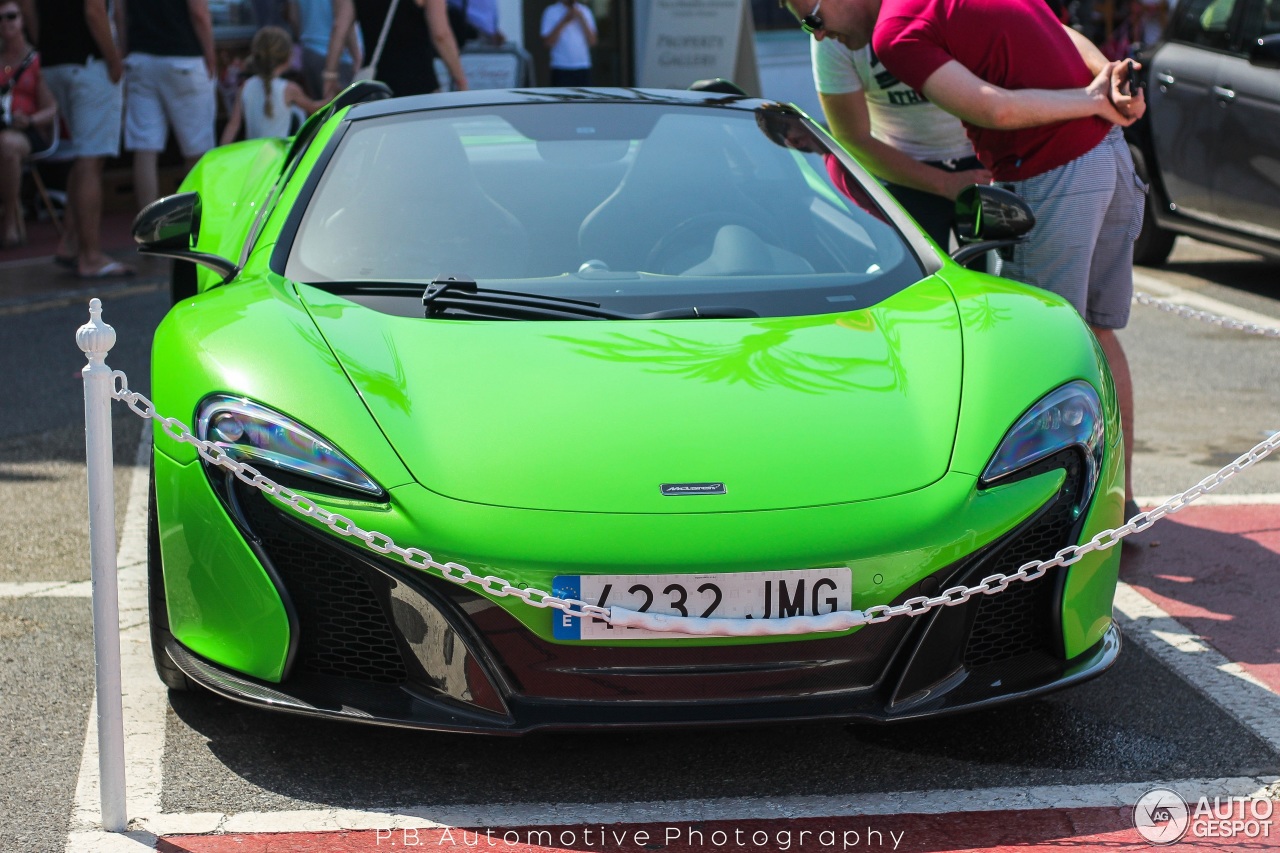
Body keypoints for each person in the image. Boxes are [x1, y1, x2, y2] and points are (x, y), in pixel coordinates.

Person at [782, 0, 1145, 515]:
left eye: (813, 19)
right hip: (1103, 152)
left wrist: (1093, 93)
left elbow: (995, 108)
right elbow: (1054, 30)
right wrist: (1102, 88)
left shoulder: (895, 30)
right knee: (1095, 333)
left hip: (1052, 167)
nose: (816, 36)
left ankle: (1056, 518)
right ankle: (1118, 503)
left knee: (1044, 354)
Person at [812, 38, 991, 249]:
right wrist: (946, 183)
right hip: (901, 173)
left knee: (1001, 277)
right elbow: (851, 138)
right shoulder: (829, 35)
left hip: (986, 165)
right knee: (920, 277)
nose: (818, 30)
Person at [27, 0, 134, 277]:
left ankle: (72, 242)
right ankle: (91, 256)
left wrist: (45, 43)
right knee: (91, 160)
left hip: (55, 61)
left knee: (83, 154)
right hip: (88, 61)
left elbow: (28, 6)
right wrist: (114, 59)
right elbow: (94, 9)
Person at [123, 0, 218, 211]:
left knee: (145, 147)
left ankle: (148, 223)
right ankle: (196, 220)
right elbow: (199, 12)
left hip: (140, 56)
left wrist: (124, 50)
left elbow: (120, 12)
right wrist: (211, 55)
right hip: (184, 56)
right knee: (197, 149)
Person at [323, 0, 468, 100]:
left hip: (375, 84)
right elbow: (441, 35)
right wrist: (460, 79)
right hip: (419, 82)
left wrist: (330, 75)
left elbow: (339, 28)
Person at [0, 0, 56, 247]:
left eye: (11, 16)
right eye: (0, 19)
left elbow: (52, 109)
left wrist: (30, 119)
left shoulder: (37, 60)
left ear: (23, 19)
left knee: (7, 146)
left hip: (27, 131)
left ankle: (10, 219)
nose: (5, 23)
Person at [220, 27, 323, 145]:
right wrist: (336, 96)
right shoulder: (289, 89)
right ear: (288, 56)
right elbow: (315, 109)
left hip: (254, 155)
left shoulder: (245, 86)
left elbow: (233, 125)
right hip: (278, 157)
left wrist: (219, 154)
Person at [289, 0, 361, 99]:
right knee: (343, 107)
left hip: (309, 51)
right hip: (337, 57)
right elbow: (343, 23)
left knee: (321, 108)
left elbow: (293, 16)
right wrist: (356, 56)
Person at [541, 0, 595, 86]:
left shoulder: (585, 11)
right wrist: (564, 20)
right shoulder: (551, 11)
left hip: (583, 66)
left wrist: (582, 19)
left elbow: (592, 41)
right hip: (561, 67)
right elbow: (548, 42)